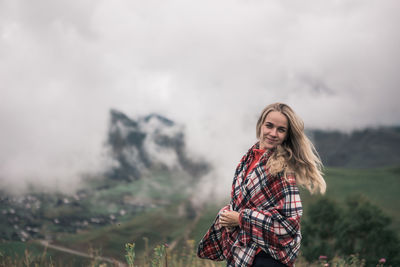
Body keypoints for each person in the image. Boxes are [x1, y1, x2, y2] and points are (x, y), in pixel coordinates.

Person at [197, 103, 326, 267]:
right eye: (269, 126)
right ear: (260, 125)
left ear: (287, 135)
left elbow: (289, 225)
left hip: (267, 257)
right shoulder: (249, 158)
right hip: (244, 251)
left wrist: (240, 218)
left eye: (281, 130)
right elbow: (246, 202)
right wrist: (229, 215)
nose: (273, 133)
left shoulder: (282, 169)